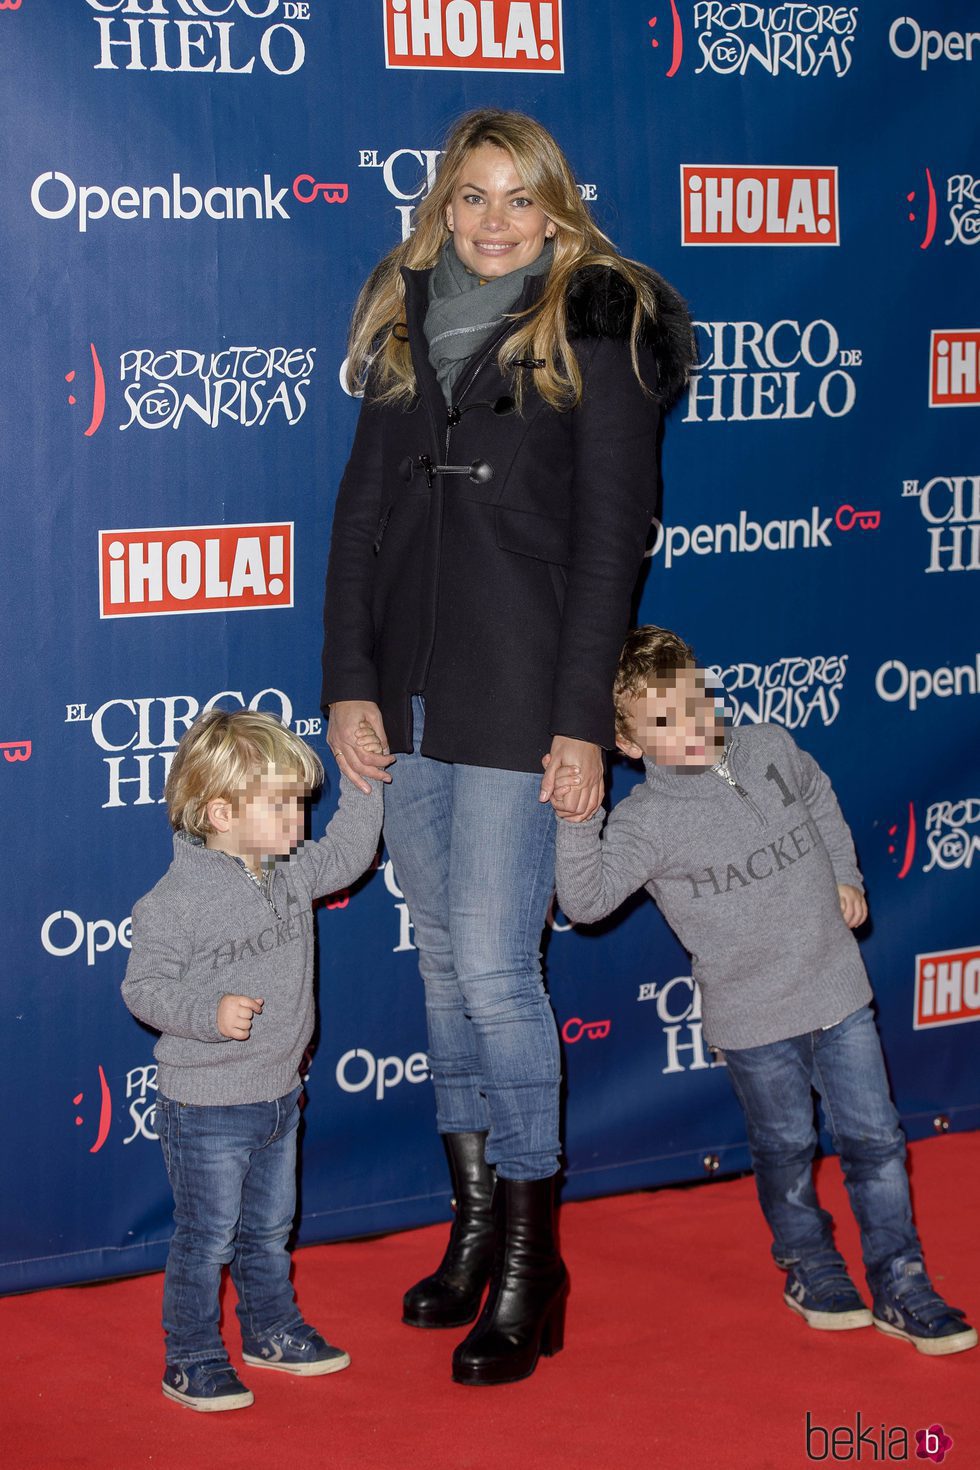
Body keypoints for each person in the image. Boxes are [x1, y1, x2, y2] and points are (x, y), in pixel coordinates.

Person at [321, 109, 693, 1385]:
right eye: (470, 196)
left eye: (516, 199)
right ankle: (474, 1228)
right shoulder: (404, 312)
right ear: (442, 205)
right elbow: (360, 509)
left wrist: (580, 718)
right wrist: (347, 685)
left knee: (492, 970)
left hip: (524, 686)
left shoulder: (600, 320)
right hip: (408, 691)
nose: (491, 220)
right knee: (440, 971)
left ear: (555, 211)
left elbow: (611, 538)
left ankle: (535, 1262)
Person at [552, 625, 977, 1357]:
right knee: (785, 1147)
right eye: (661, 721)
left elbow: (817, 793)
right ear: (627, 744)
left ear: (706, 688)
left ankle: (902, 1282)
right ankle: (810, 1266)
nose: (687, 726)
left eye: (691, 701)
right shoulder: (647, 822)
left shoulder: (770, 744)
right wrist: (576, 818)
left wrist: (846, 874)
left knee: (875, 1139)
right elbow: (584, 901)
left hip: (836, 986)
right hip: (752, 1017)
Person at [121, 709, 383, 1411]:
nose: (300, 821)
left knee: (269, 1231)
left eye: (300, 803)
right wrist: (208, 1017)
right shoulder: (172, 901)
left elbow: (353, 850)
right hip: (204, 1106)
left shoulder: (292, 870)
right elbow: (143, 989)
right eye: (282, 805)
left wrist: (365, 778)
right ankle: (192, 1356)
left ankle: (269, 1330)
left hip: (279, 1099)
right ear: (219, 811)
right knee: (206, 1240)